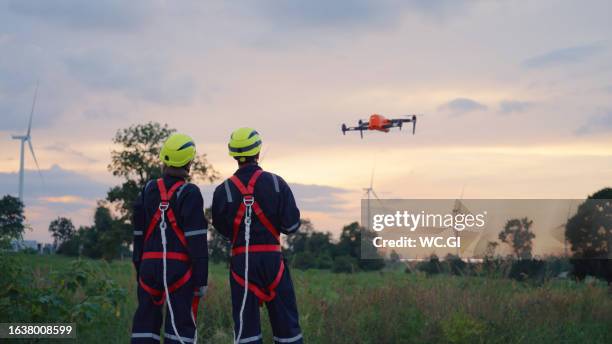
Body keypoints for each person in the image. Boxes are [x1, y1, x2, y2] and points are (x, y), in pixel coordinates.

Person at [212, 127, 303, 344]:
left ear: (233, 154)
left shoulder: (222, 190)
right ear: (258, 151)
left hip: (241, 264)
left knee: (246, 333)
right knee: (288, 329)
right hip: (273, 263)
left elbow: (224, 231)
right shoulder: (276, 183)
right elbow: (291, 226)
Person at [131, 133, 208, 344]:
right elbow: (197, 240)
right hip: (178, 270)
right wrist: (201, 280)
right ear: (189, 163)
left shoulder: (148, 190)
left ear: (164, 159)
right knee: (179, 328)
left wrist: (140, 268)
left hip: (148, 268)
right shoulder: (189, 192)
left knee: (145, 326)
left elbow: (139, 234)